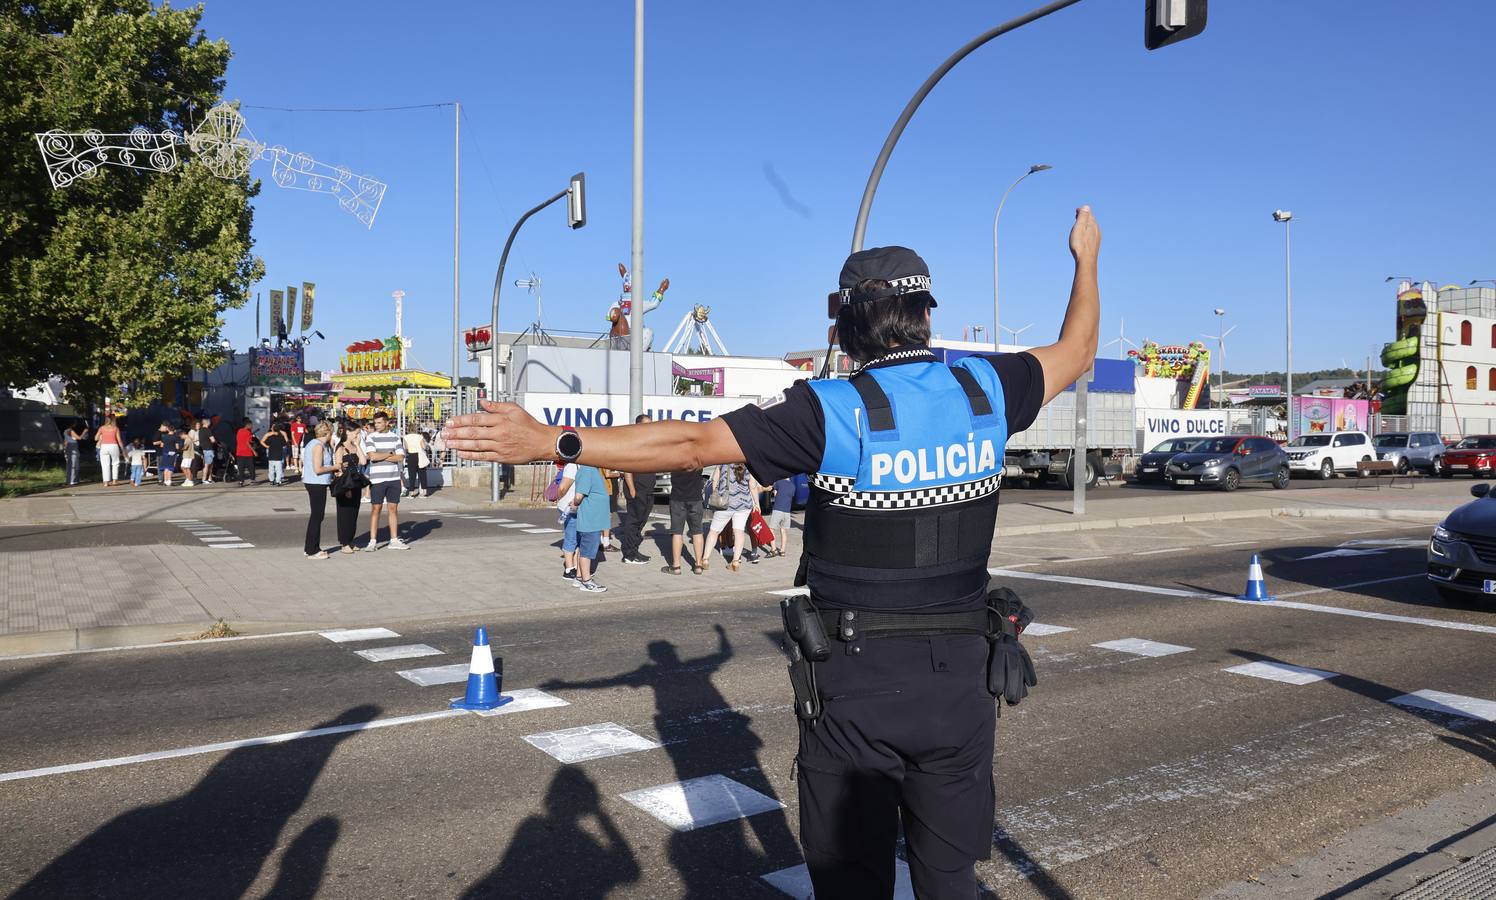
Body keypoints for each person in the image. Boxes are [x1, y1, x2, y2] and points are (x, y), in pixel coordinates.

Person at [443, 206, 1100, 899]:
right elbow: (1080, 348)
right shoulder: (988, 390)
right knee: (950, 880)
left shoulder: (829, 410)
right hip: (962, 686)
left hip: (859, 691)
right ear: (926, 317)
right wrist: (1085, 256)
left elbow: (691, 444)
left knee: (855, 884)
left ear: (844, 327)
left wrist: (555, 440)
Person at [360, 411, 408, 550]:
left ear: (387, 422)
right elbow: (372, 456)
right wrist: (389, 454)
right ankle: (372, 541)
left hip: (393, 478)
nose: (377, 425)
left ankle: (394, 540)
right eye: (375, 423)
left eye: (379, 422)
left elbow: (400, 457)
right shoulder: (371, 437)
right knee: (376, 509)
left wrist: (382, 455)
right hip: (377, 479)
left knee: (393, 509)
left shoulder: (395, 437)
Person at [702, 464, 757, 572]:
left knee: (714, 531)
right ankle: (735, 562)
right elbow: (752, 485)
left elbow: (714, 481)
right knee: (739, 532)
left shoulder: (722, 463)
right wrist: (757, 503)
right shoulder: (748, 465)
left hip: (724, 503)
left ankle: (705, 559)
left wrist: (715, 496)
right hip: (743, 504)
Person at [618, 414, 656, 565]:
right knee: (633, 521)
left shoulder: (649, 443)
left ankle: (634, 549)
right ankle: (628, 554)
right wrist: (632, 489)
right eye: (647, 424)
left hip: (647, 490)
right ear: (638, 425)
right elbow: (627, 468)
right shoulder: (632, 443)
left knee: (641, 521)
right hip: (637, 490)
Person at [571, 464, 610, 593]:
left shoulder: (590, 469)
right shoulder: (587, 469)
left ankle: (579, 577)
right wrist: (575, 504)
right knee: (587, 552)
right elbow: (578, 496)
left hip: (593, 518)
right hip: (591, 519)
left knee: (584, 549)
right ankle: (586, 581)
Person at [660, 467, 705, 575]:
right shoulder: (698, 454)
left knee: (677, 532)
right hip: (695, 497)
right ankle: (698, 565)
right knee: (697, 531)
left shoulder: (675, 454)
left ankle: (676, 566)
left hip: (678, 497)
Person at [302, 422, 336, 559]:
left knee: (317, 515)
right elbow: (318, 469)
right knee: (317, 516)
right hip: (316, 483)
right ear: (327, 433)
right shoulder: (318, 446)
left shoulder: (318, 444)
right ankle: (312, 550)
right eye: (331, 433)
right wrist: (335, 467)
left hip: (315, 483)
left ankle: (310, 547)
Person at [331, 428, 366, 554]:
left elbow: (363, 461)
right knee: (345, 513)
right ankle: (344, 543)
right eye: (356, 433)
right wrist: (346, 488)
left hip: (356, 482)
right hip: (346, 483)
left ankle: (350, 540)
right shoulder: (340, 448)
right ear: (348, 433)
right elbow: (338, 468)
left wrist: (357, 445)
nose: (358, 435)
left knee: (354, 513)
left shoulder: (354, 446)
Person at [554, 461, 580, 580]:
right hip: (569, 507)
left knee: (577, 538)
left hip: (576, 507)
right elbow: (563, 488)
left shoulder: (580, 465)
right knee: (571, 537)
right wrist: (559, 497)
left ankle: (575, 565)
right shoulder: (572, 466)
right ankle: (569, 569)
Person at [768, 476, 795, 558]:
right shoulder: (793, 486)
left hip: (778, 509)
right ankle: (782, 550)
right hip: (787, 512)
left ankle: (773, 549)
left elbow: (775, 493)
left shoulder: (779, 482)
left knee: (771, 529)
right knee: (783, 531)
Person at [96, 414, 124, 487]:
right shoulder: (115, 428)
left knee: (105, 465)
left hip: (104, 446)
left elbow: (96, 438)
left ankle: (106, 482)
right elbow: (119, 440)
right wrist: (123, 449)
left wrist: (101, 437)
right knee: (115, 463)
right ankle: (115, 481)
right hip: (114, 446)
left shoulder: (101, 428)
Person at [401, 426, 429, 498]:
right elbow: (423, 447)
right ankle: (423, 492)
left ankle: (411, 493)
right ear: (416, 429)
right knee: (422, 474)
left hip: (411, 456)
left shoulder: (405, 437)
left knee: (412, 475)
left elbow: (406, 448)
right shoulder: (420, 436)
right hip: (419, 456)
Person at [154, 422, 181, 487]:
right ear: (174, 430)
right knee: (171, 468)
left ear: (168, 429)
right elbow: (177, 447)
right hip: (172, 453)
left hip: (165, 453)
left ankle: (165, 481)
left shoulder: (164, 437)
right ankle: (169, 481)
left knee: (166, 468)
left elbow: (162, 445)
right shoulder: (176, 437)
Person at [64, 421, 89, 485]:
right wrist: (84, 432)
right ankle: (73, 480)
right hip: (73, 449)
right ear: (72, 424)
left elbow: (65, 441)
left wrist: (65, 449)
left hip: (68, 449)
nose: (75, 424)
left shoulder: (65, 431)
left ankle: (69, 480)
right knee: (74, 465)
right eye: (74, 423)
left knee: (69, 465)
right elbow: (79, 438)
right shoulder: (71, 431)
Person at [235, 419, 257, 486]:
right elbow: (248, 443)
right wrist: (254, 451)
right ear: (248, 425)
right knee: (251, 467)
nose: (252, 426)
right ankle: (253, 480)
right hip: (247, 453)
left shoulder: (239, 431)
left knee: (241, 468)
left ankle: (241, 481)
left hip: (239, 452)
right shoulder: (248, 432)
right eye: (251, 425)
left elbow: (240, 440)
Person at [195, 418, 216, 484]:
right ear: (208, 423)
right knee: (207, 465)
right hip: (208, 449)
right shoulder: (208, 430)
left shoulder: (200, 431)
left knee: (209, 465)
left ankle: (209, 478)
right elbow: (213, 440)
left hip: (203, 449)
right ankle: (204, 479)